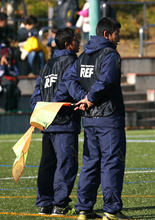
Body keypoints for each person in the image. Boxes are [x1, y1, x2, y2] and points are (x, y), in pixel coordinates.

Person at [58, 17, 131, 219]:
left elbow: (68, 78)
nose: (119, 38)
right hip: (109, 117)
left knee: (90, 163)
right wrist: (88, 98)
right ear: (107, 34)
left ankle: (84, 209)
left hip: (89, 118)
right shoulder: (110, 54)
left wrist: (82, 97)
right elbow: (106, 80)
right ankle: (111, 209)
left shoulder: (82, 56)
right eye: (117, 34)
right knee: (111, 162)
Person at [29, 28, 80, 216]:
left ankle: (45, 203)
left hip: (47, 121)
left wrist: (41, 108)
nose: (79, 41)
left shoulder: (48, 64)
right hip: (64, 121)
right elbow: (69, 87)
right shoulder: (73, 62)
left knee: (47, 164)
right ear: (68, 44)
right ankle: (60, 204)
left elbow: (37, 92)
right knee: (66, 163)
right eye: (75, 39)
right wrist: (54, 106)